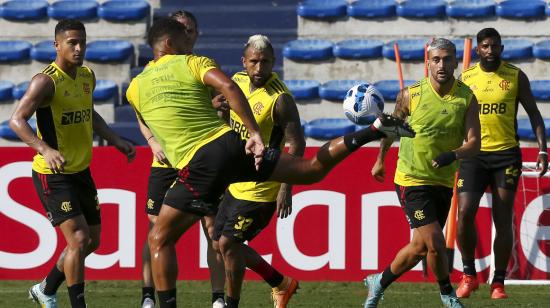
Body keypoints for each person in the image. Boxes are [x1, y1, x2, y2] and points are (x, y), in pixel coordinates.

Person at [126, 18, 414, 308]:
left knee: (159, 239)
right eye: (186, 41)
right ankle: (373, 130)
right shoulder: (194, 64)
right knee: (312, 169)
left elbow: (163, 119)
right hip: (230, 147)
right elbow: (226, 86)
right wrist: (251, 132)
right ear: (169, 44)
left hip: (201, 163)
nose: (191, 46)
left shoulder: (134, 88)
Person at [9, 19, 136, 308]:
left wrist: (115, 139)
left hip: (80, 171)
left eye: (82, 42)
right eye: (72, 43)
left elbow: (88, 113)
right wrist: (44, 149)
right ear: (57, 45)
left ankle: (46, 288)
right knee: (78, 239)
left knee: (92, 241)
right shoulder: (46, 81)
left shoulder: (86, 76)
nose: (79, 48)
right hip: (53, 174)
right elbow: (17, 121)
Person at [366, 38, 481, 308]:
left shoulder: (466, 97)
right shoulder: (410, 94)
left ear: (455, 62)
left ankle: (378, 282)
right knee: (436, 243)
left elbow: (475, 143)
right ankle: (447, 295)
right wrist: (380, 159)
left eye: (447, 59)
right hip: (410, 178)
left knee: (420, 248)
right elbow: (390, 128)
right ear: (427, 63)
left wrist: (452, 155)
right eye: (436, 59)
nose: (442, 65)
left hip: (442, 180)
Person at [136, 10, 226, 308]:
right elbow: (142, 112)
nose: (184, 34)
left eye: (188, 29)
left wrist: (216, 107)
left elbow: (223, 107)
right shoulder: (152, 70)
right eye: (179, 29)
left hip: (199, 161)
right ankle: (148, 295)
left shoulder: (201, 67)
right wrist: (150, 142)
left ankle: (217, 298)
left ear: (195, 34)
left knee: (212, 228)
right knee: (155, 230)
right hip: (164, 161)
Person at [211, 34, 306, 308]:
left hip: (262, 187)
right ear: (244, 62)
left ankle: (232, 303)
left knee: (228, 245)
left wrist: (287, 188)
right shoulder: (236, 83)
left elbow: (296, 144)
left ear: (274, 62)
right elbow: (227, 122)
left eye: (265, 62)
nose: (259, 68)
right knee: (221, 245)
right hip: (234, 183)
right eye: (254, 61)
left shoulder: (280, 99)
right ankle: (281, 283)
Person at [455, 28, 548, 299]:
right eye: (485, 46)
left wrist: (542, 151)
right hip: (473, 155)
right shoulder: (466, 78)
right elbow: (455, 117)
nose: (490, 50)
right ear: (478, 50)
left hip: (506, 156)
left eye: (494, 45)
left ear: (501, 48)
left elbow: (534, 114)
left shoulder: (515, 76)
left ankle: (498, 283)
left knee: (503, 218)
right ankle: (469, 274)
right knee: (465, 213)